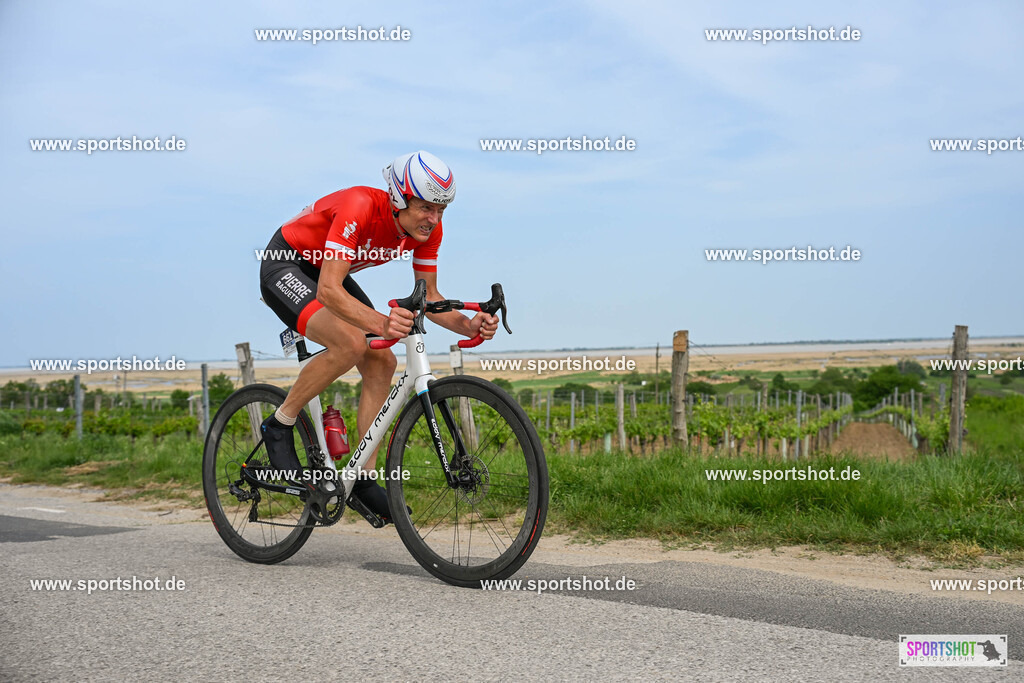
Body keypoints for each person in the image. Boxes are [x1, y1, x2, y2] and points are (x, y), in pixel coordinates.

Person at [257, 151, 498, 522]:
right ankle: (280, 422)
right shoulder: (359, 206)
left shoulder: (427, 231)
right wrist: (383, 324)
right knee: (350, 343)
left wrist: (469, 324)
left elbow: (429, 297)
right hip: (287, 263)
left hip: (324, 270)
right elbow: (329, 291)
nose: (433, 219)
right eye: (426, 208)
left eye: (441, 210)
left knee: (382, 360)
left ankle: (362, 480)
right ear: (399, 197)